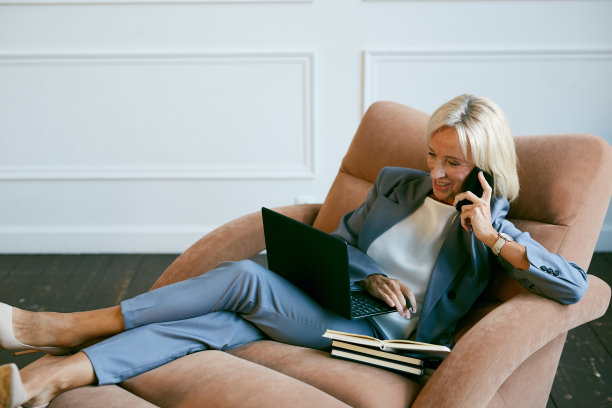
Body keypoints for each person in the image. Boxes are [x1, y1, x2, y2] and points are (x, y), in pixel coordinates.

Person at [0, 94, 588, 408]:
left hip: (386, 338)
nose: (435, 171)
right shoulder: (397, 184)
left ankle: (61, 327)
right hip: (340, 299)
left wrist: (490, 238)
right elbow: (341, 243)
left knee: (243, 279)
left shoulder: (494, 229)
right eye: (432, 155)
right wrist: (366, 275)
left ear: (483, 163)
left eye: (452, 162)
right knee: (217, 324)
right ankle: (57, 377)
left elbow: (573, 286)